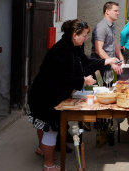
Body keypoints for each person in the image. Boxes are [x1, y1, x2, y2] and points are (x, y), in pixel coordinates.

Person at [27, 19, 119, 171]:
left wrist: (107, 61)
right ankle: (48, 165)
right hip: (45, 95)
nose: (85, 38)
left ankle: (42, 150)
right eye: (83, 35)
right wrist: (83, 80)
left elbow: (86, 63)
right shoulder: (62, 50)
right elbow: (61, 77)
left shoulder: (74, 47)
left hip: (48, 92)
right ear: (74, 35)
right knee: (50, 128)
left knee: (43, 125)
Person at [91, 1, 124, 75]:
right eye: (115, 11)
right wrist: (111, 63)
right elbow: (98, 50)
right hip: (101, 65)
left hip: (110, 64)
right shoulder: (101, 27)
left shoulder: (112, 25)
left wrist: (121, 59)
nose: (118, 13)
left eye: (118, 11)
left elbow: (114, 43)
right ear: (107, 11)